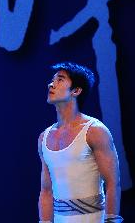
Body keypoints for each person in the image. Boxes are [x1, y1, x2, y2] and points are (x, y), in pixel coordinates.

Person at [38, 62, 123, 223]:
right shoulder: (44, 137)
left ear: (76, 91)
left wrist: (112, 220)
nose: (51, 84)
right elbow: (46, 191)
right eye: (52, 80)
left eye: (60, 79)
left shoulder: (95, 131)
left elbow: (113, 183)